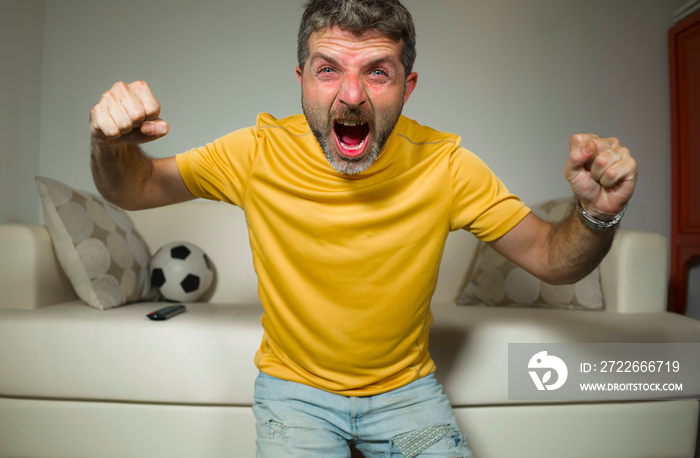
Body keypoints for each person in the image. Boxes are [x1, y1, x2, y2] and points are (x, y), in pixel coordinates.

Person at [88, 0, 637, 456]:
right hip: (293, 396)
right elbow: (132, 188)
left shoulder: (445, 165)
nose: (352, 96)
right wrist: (109, 144)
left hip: (407, 397)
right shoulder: (255, 153)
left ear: (408, 85)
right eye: (329, 69)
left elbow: (552, 259)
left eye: (377, 71)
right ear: (301, 79)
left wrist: (598, 212)